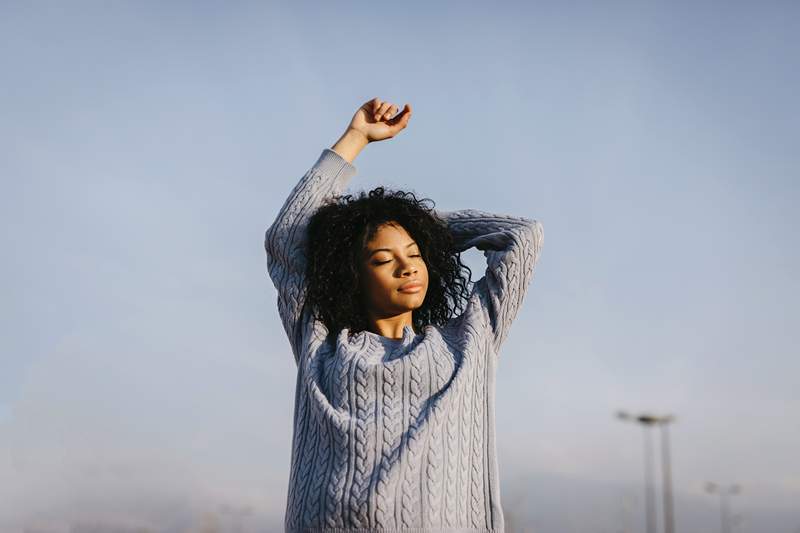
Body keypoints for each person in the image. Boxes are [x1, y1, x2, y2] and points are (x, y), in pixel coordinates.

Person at [265, 97, 544, 532]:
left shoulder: (470, 340)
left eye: (415, 254)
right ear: (351, 275)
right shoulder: (319, 341)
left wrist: (408, 224)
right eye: (382, 259)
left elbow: (521, 237)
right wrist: (356, 139)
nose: (407, 266)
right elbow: (288, 237)